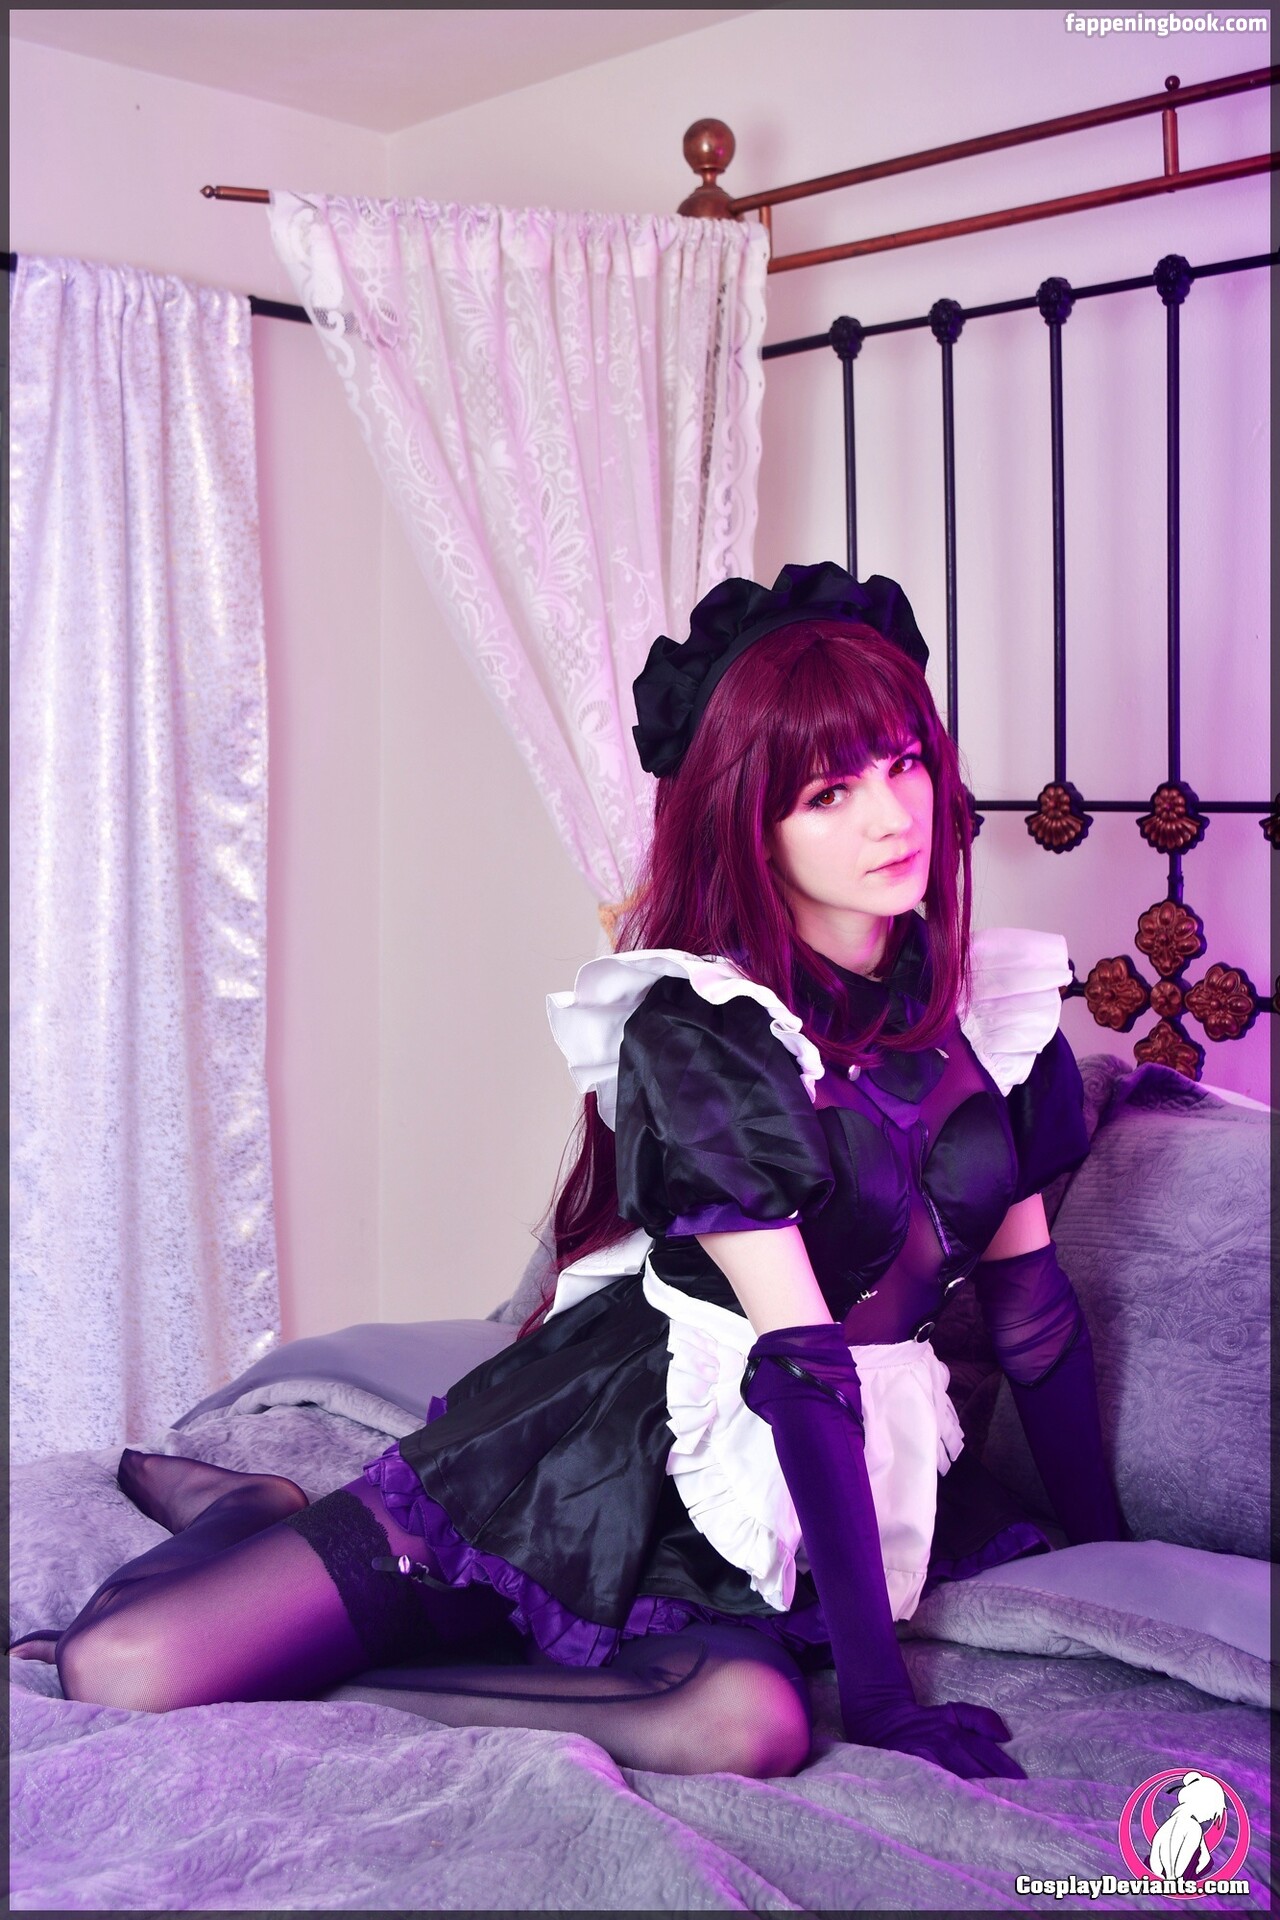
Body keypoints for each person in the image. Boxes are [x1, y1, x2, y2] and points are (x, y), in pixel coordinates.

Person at [24, 562, 1127, 1780]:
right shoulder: (707, 1032)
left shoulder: (997, 1017)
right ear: (749, 824)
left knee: (745, 1728)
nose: (889, 817)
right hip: (607, 1441)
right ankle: (250, 1511)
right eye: (828, 791)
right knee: (123, 1669)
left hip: (796, 1487)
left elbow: (1030, 1314)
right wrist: (877, 1698)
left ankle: (348, 1669)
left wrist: (1114, 1557)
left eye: (903, 764)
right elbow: (801, 1365)